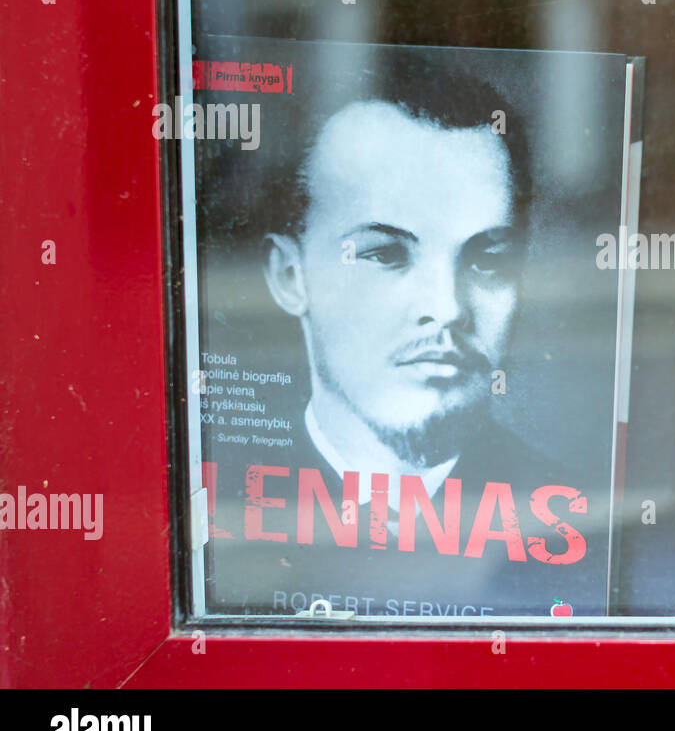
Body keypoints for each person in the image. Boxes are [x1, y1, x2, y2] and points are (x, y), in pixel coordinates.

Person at [207, 68, 607, 617]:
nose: (445, 307)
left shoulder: (586, 528)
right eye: (385, 255)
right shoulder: (207, 516)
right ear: (290, 276)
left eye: (488, 260)